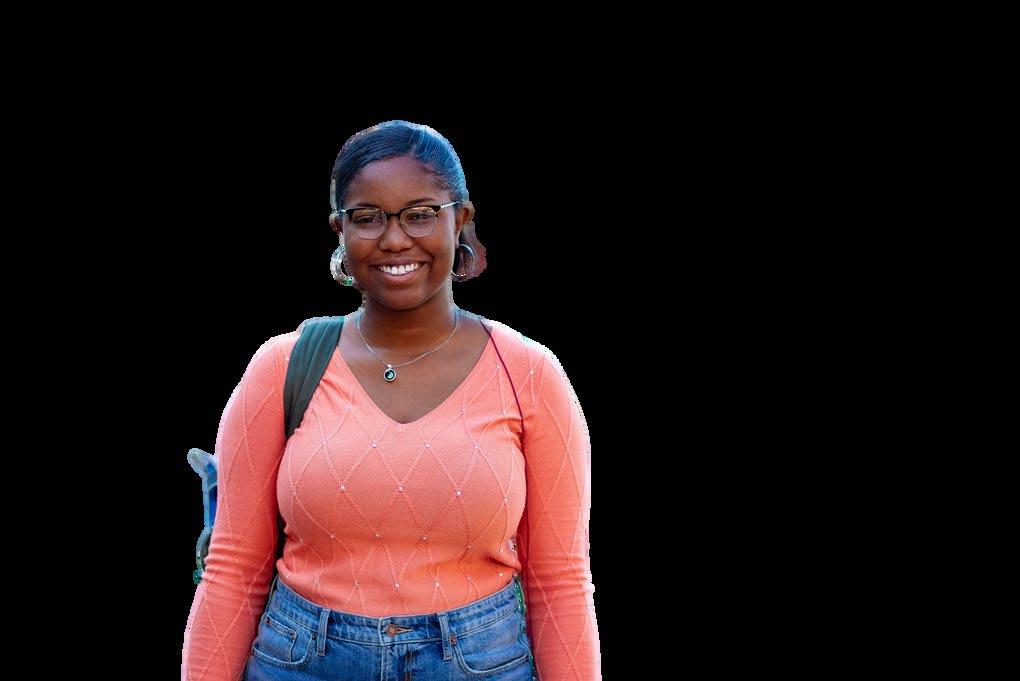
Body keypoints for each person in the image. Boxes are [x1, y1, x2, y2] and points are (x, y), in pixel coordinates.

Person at [181, 120, 600, 680]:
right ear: (340, 230)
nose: (395, 239)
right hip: (299, 664)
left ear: (461, 220)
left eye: (420, 213)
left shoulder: (529, 374)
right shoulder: (283, 367)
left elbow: (559, 580)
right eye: (368, 217)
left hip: (481, 665)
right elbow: (234, 570)